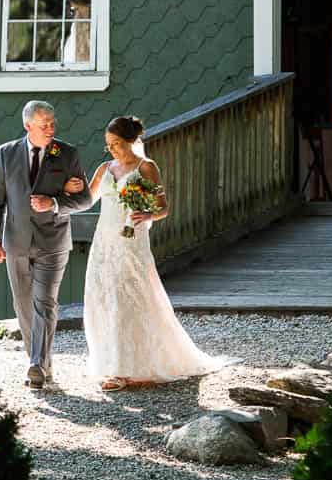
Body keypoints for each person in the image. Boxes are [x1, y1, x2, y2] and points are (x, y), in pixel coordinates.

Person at [65, 115, 224, 390]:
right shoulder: (105, 168)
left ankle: (123, 369)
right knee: (104, 297)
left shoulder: (146, 168)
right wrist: (65, 193)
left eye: (116, 143)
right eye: (108, 145)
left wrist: (147, 213)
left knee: (131, 297)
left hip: (131, 240)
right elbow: (86, 201)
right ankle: (109, 362)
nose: (112, 149)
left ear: (131, 141)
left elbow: (164, 208)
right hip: (104, 242)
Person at [0, 100, 92, 390]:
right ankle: (43, 365)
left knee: (44, 302)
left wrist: (54, 202)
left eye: (52, 123)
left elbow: (85, 200)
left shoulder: (67, 153)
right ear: (27, 125)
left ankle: (35, 366)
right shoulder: (6, 154)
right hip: (15, 243)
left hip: (53, 242)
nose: (50, 128)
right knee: (24, 307)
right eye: (43, 124)